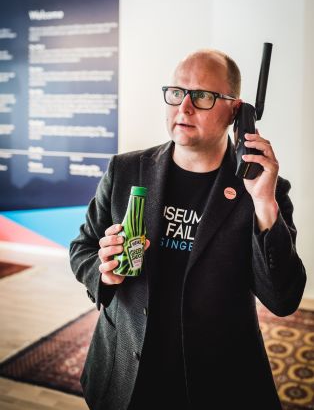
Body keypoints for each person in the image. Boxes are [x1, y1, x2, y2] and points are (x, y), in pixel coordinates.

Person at [69, 48, 306, 410]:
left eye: (203, 96)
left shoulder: (262, 189)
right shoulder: (125, 170)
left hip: (215, 381)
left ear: (236, 110)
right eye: (177, 93)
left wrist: (263, 205)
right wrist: (102, 273)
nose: (184, 107)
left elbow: (283, 299)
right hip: (125, 375)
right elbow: (82, 248)